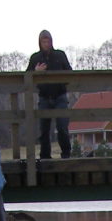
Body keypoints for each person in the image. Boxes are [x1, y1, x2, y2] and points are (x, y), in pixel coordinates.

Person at [26, 30, 73, 159]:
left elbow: (70, 73)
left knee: (62, 127)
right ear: (39, 43)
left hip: (60, 95)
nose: (46, 44)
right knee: (44, 129)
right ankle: (45, 156)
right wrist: (35, 71)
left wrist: (61, 80)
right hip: (44, 96)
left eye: (48, 41)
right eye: (43, 42)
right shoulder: (35, 58)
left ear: (51, 42)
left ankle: (66, 154)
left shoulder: (60, 55)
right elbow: (27, 76)